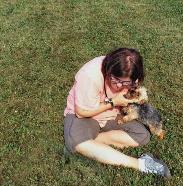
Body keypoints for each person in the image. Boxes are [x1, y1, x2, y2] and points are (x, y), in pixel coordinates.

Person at [63, 48, 171, 177]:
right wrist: (114, 102)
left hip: (114, 114)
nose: (120, 86)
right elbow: (81, 112)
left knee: (143, 135)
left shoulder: (132, 77)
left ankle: (89, 142)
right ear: (109, 71)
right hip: (86, 115)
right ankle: (140, 164)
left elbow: (134, 98)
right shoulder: (90, 74)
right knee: (76, 143)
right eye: (116, 80)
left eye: (126, 82)